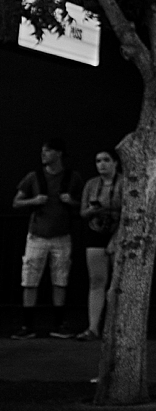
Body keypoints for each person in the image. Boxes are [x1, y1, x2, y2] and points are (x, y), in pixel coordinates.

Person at [12, 139, 83, 338]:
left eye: (48, 151)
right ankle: (27, 326)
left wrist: (72, 202)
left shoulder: (72, 177)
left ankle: (59, 324)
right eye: (43, 151)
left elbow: (84, 204)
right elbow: (16, 202)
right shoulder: (33, 177)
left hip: (62, 236)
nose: (44, 154)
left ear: (59, 153)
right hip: (37, 236)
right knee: (30, 279)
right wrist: (33, 201)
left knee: (60, 279)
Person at [79, 147, 124, 340]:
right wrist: (92, 211)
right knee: (97, 281)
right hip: (96, 232)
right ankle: (93, 327)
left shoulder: (124, 183)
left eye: (106, 160)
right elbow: (82, 212)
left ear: (115, 163)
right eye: (98, 161)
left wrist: (117, 238)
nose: (101, 164)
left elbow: (129, 213)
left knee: (118, 283)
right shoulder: (91, 184)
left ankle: (118, 328)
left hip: (119, 233)